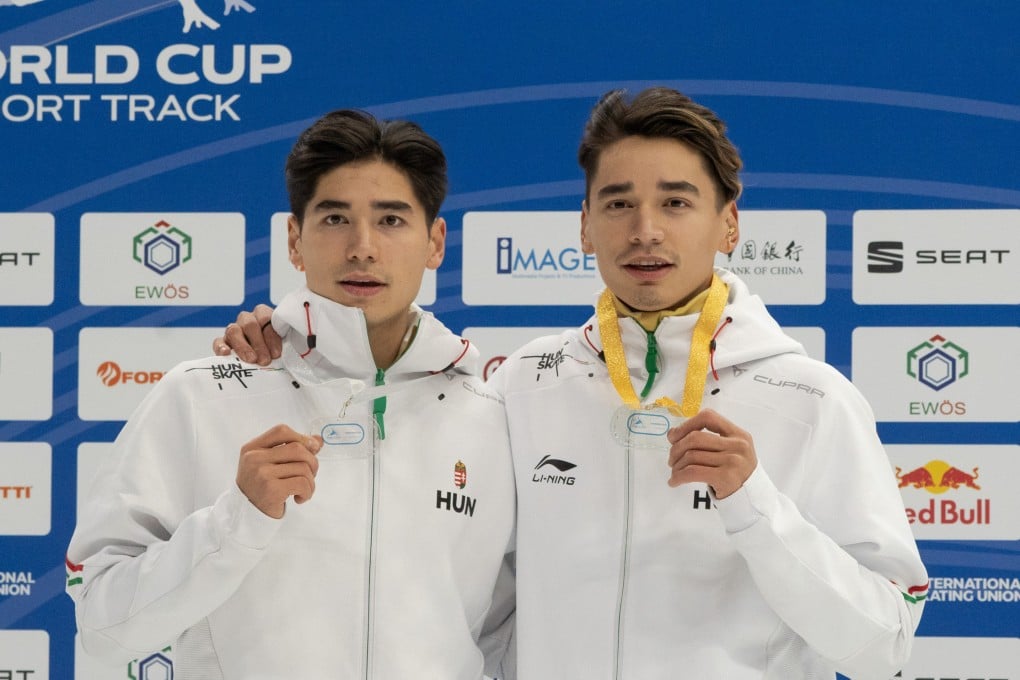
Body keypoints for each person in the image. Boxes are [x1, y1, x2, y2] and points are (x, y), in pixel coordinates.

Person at [216, 88, 928, 679]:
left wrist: (757, 509)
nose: (644, 230)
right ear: (585, 227)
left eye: (676, 203)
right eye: (617, 204)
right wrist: (292, 343)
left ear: (729, 224)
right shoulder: (519, 385)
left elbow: (883, 646)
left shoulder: (813, 401)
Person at [67, 110, 516, 679]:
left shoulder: (494, 418)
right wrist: (239, 519)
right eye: (334, 218)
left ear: (435, 242)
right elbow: (102, 628)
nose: (362, 247)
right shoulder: (201, 397)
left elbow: (515, 633)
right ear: (294, 240)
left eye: (392, 220)